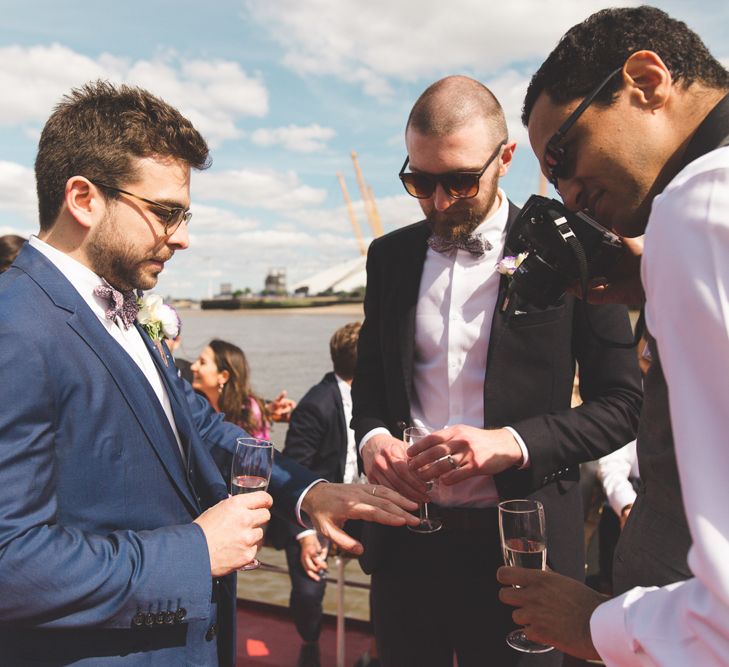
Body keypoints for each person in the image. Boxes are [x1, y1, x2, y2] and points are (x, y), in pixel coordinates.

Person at [0, 80, 418, 666]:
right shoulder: (14, 328)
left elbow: (201, 431)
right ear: (84, 198)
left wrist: (309, 493)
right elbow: (10, 562)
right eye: (166, 212)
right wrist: (195, 552)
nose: (184, 238)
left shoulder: (124, 312)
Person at [351, 75, 643, 667]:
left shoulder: (572, 249)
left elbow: (624, 403)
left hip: (525, 548)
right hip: (407, 544)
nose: (438, 202)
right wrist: (373, 439)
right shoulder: (389, 256)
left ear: (505, 158)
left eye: (459, 181)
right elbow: (372, 387)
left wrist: (511, 443)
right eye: (420, 182)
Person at [498, 7, 729, 665]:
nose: (568, 195)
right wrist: (656, 282)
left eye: (564, 155)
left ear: (645, 80)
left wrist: (592, 625)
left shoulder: (698, 203)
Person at [275, 321, 374, 667]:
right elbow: (291, 473)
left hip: (361, 507)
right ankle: (310, 643)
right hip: (314, 513)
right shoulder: (316, 406)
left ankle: (379, 650)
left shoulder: (376, 403)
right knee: (308, 590)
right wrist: (305, 536)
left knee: (394, 565)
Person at [190, 338, 294, 439]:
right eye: (196, 361)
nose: (193, 367)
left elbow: (254, 454)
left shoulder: (248, 414)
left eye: (202, 362)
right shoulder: (190, 402)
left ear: (223, 376)